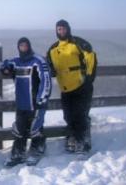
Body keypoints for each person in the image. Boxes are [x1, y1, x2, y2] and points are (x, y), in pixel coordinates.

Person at [46, 20, 97, 154]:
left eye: (63, 29)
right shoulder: (53, 49)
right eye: (59, 30)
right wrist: (50, 71)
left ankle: (84, 141)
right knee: (69, 116)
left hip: (81, 85)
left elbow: (91, 57)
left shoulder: (78, 43)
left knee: (81, 115)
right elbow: (48, 65)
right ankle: (73, 137)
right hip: (65, 88)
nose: (61, 32)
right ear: (56, 31)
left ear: (68, 29)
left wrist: (89, 78)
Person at [1, 37, 52, 166]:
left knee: (35, 127)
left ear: (29, 46)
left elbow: (46, 80)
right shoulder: (16, 61)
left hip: (36, 102)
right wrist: (5, 68)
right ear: (18, 47)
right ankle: (18, 152)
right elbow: (6, 63)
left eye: (25, 45)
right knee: (20, 128)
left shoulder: (38, 61)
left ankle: (38, 149)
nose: (23, 48)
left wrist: (42, 98)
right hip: (21, 102)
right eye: (21, 46)